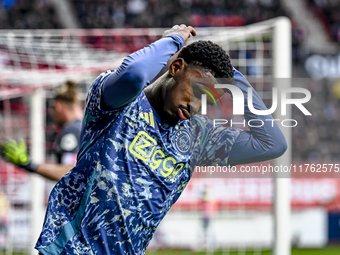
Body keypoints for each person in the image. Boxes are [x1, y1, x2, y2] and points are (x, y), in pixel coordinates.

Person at [35, 24, 287, 255]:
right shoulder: (118, 102)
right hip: (72, 248)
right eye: (197, 91)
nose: (196, 106)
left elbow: (273, 144)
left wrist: (236, 80)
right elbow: (134, 74)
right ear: (176, 67)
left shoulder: (199, 136)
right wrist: (173, 40)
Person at [1, 81, 83, 181]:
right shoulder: (85, 127)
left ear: (58, 107)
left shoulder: (72, 130)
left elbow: (69, 172)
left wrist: (29, 165)